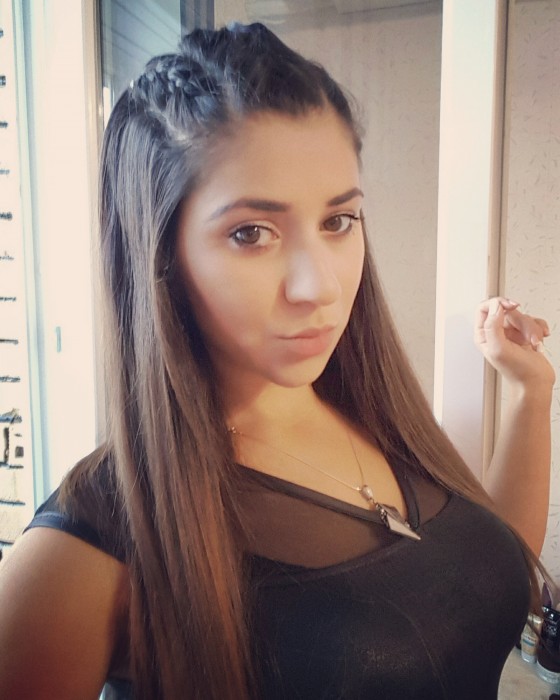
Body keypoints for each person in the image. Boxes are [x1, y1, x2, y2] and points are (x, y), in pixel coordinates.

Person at [0, 22, 555, 700]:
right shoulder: (98, 539)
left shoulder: (381, 418)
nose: (318, 286)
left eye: (338, 221)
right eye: (251, 233)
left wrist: (531, 395)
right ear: (163, 254)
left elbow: (487, 581)